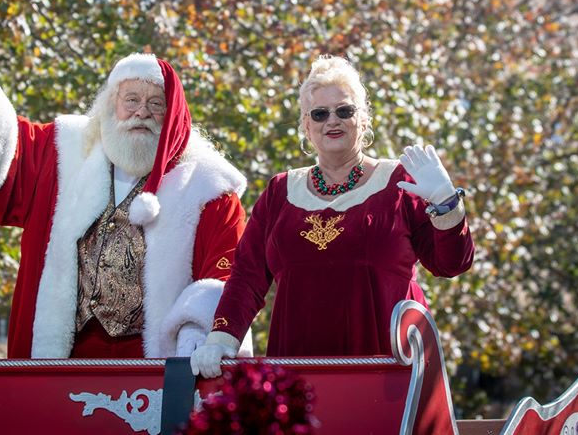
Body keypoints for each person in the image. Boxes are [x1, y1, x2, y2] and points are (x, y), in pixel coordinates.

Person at [0, 35, 252, 359]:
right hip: (62, 364)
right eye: (131, 100)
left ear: (173, 117)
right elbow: (5, 157)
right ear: (112, 106)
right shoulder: (63, 153)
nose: (142, 112)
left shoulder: (206, 190)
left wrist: (200, 330)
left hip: (148, 374)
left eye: (156, 104)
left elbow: (229, 276)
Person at [190, 55, 475, 377]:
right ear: (306, 126)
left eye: (344, 111)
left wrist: (447, 203)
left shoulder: (400, 183)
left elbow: (451, 264)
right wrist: (222, 337)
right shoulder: (280, 192)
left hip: (389, 371)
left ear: (363, 120)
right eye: (320, 114)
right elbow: (247, 276)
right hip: (296, 372)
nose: (332, 121)